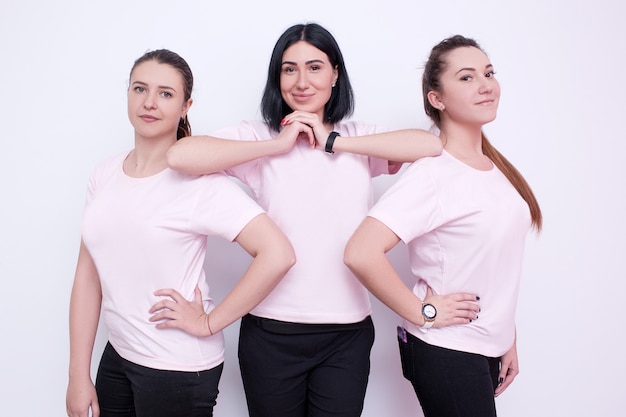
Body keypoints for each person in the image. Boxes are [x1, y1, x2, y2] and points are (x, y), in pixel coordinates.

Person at [166, 23, 478, 417]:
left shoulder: (358, 138)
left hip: (346, 334)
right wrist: (277, 144)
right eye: (288, 69)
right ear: (276, 77)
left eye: (315, 67)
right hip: (270, 333)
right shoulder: (258, 137)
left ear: (335, 74)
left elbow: (430, 144)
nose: (301, 81)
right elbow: (181, 156)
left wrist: (332, 141)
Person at [65, 49, 295, 417]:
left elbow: (278, 253)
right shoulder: (104, 175)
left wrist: (209, 321)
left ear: (186, 105)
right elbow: (87, 276)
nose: (150, 102)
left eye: (166, 93)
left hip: (176, 367)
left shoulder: (200, 185)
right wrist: (78, 374)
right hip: (119, 354)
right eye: (140, 89)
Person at [344, 34, 543, 417]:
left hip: (484, 345)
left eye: (488, 73)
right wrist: (423, 312)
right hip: (447, 349)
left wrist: (506, 336)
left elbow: (493, 263)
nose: (486, 85)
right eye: (466, 77)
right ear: (437, 99)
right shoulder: (434, 175)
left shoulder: (496, 168)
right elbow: (360, 252)